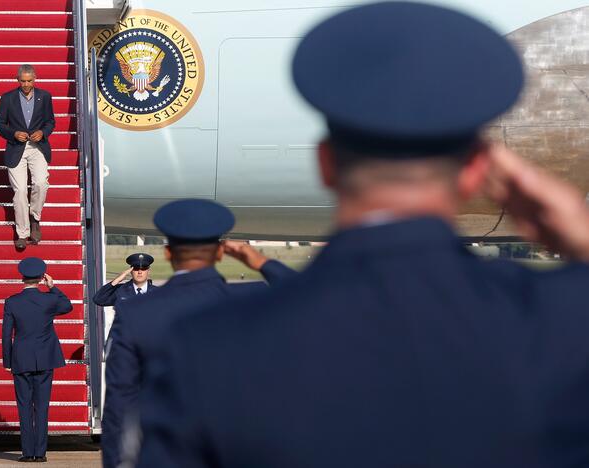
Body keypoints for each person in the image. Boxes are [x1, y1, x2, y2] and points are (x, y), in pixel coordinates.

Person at [136, 3, 589, 467]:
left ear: (326, 163)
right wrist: (578, 233)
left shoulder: (210, 347)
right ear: (477, 171)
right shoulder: (556, 322)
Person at [101, 199, 295, 468]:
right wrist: (261, 262)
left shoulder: (136, 314)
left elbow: (120, 404)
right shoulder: (247, 301)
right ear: (219, 254)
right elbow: (302, 295)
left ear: (168, 253)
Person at [2, 257, 73, 463]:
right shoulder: (49, 300)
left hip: (21, 359)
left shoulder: (12, 301)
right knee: (41, 407)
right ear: (42, 277)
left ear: (22, 277)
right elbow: (67, 306)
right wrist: (54, 288)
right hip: (44, 359)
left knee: (24, 407)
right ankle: (40, 453)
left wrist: (7, 361)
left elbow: (6, 334)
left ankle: (27, 452)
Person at [0, 64, 56, 251]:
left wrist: (43, 132)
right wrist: (13, 133)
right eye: (23, 81)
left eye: (29, 81)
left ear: (35, 78)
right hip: (16, 149)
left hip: (38, 147)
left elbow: (50, 121)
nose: (26, 84)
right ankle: (22, 233)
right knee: (20, 191)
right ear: (17, 79)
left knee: (40, 183)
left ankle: (35, 218)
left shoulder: (44, 96)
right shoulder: (7, 98)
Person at [93, 253, 159, 307]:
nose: (139, 272)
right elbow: (98, 299)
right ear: (130, 271)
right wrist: (116, 281)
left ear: (149, 271)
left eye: (143, 269)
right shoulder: (121, 290)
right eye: (136, 268)